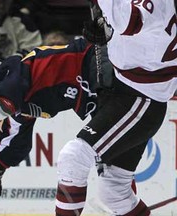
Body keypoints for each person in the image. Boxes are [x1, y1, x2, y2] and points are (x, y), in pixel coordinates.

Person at [0, 37, 113, 204]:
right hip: (91, 95)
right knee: (113, 164)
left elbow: (9, 93)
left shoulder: (13, 67)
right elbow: (15, 141)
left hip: (95, 58)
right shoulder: (20, 106)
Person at [53, 0, 177, 216]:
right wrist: (106, 29)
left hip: (140, 101)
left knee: (73, 157)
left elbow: (127, 20)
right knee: (114, 191)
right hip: (129, 90)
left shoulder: (158, 4)